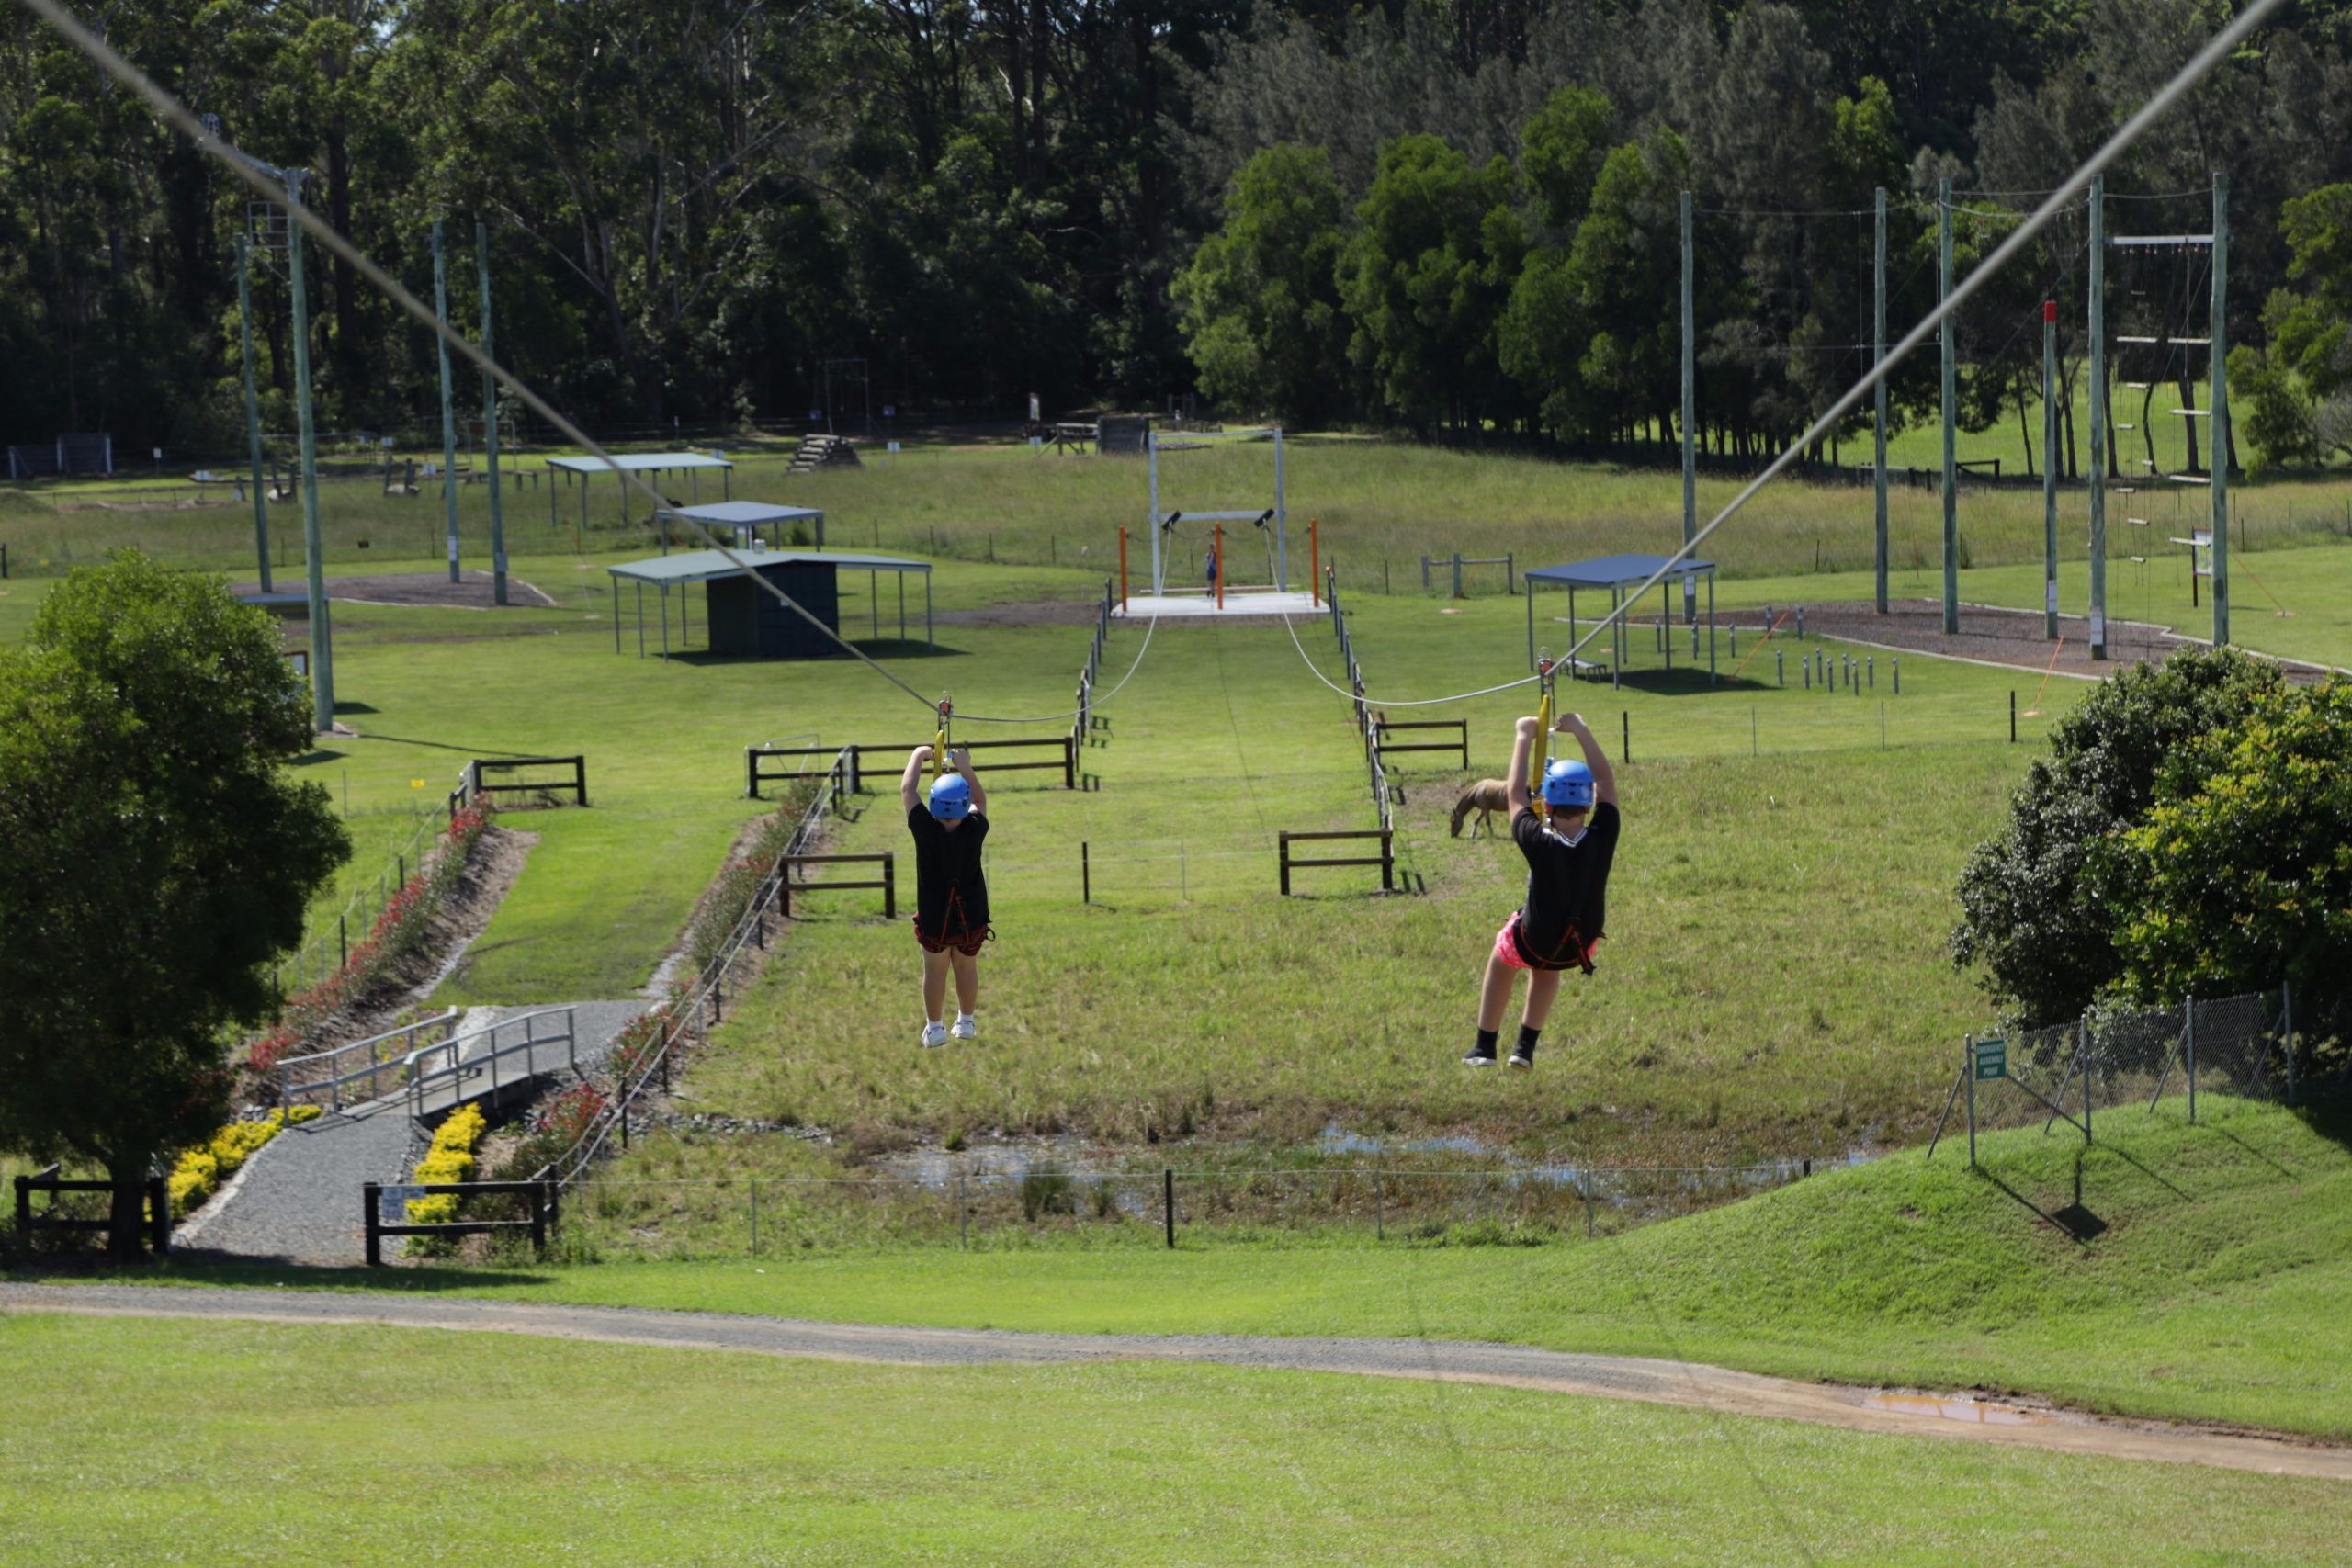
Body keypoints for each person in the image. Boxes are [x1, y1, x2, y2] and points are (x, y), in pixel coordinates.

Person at [1464, 710, 1620, 1069]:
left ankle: (1485, 1046)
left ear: (1547, 805)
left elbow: (1515, 793)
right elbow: (1608, 784)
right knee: (1546, 968)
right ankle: (1524, 1049)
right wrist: (1581, 729)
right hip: (1580, 943)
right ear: (1589, 803)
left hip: (1535, 940)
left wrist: (1523, 736)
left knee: (1503, 956)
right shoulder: (1604, 835)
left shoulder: (1536, 840)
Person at [901, 744, 990, 1048]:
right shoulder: (975, 828)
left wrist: (918, 755)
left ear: (933, 804)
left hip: (935, 920)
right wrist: (964, 766)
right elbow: (980, 799)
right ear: (964, 805)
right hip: (972, 919)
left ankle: (935, 1028)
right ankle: (966, 1021)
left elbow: (907, 790)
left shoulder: (923, 829)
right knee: (966, 967)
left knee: (935, 971)